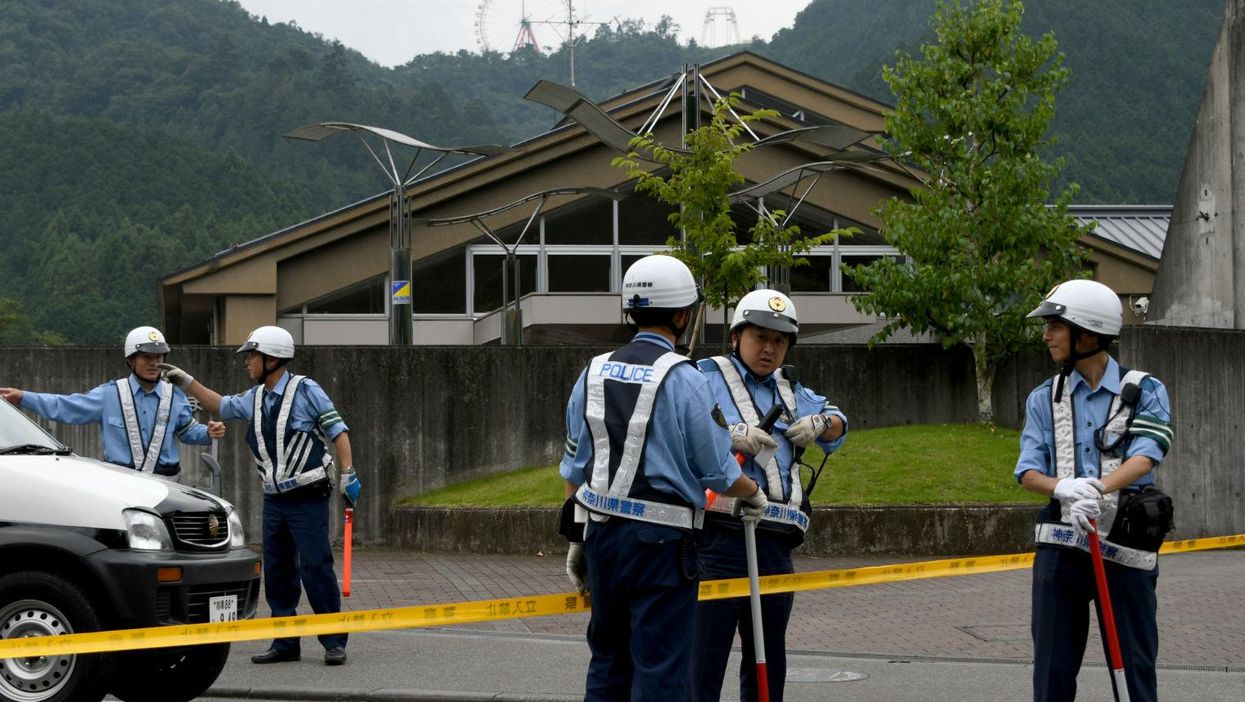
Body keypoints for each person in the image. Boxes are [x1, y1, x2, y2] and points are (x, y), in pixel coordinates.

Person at [558, 254, 767, 702]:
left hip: (602, 540)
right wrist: (754, 494)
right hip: (663, 546)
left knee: (608, 662)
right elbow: (717, 469)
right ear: (680, 315)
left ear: (631, 309)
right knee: (661, 671)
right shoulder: (686, 379)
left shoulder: (592, 372)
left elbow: (574, 466)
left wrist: (578, 539)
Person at [159, 325, 361, 667]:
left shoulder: (306, 389)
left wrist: (348, 474)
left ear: (272, 359)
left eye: (251, 356)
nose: (247, 362)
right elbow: (219, 405)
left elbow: (337, 430)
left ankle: (333, 641)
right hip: (274, 500)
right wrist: (186, 380)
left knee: (316, 568)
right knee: (279, 572)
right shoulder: (253, 398)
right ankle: (285, 643)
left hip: (308, 495)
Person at [1016, 279, 1174, 702]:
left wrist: (1098, 488)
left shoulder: (1145, 391)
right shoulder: (1042, 399)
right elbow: (1028, 471)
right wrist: (1064, 488)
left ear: (1086, 333)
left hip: (1125, 547)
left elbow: (1147, 455)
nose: (1046, 335)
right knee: (1051, 671)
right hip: (1061, 551)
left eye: (1055, 325)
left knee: (1135, 670)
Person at [691, 289, 847, 702]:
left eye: (779, 341)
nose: (769, 348)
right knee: (704, 659)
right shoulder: (703, 378)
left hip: (775, 542)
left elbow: (839, 423)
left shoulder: (791, 389)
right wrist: (728, 437)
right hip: (718, 537)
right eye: (760, 336)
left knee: (767, 658)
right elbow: (681, 434)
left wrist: (820, 422)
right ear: (737, 335)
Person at [0, 326, 224, 478]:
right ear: (130, 360)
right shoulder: (109, 395)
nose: (154, 363)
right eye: (146, 356)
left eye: (159, 357)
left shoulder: (175, 395)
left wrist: (209, 432)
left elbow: (188, 432)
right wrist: (24, 397)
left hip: (168, 485)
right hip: (122, 483)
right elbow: (66, 407)